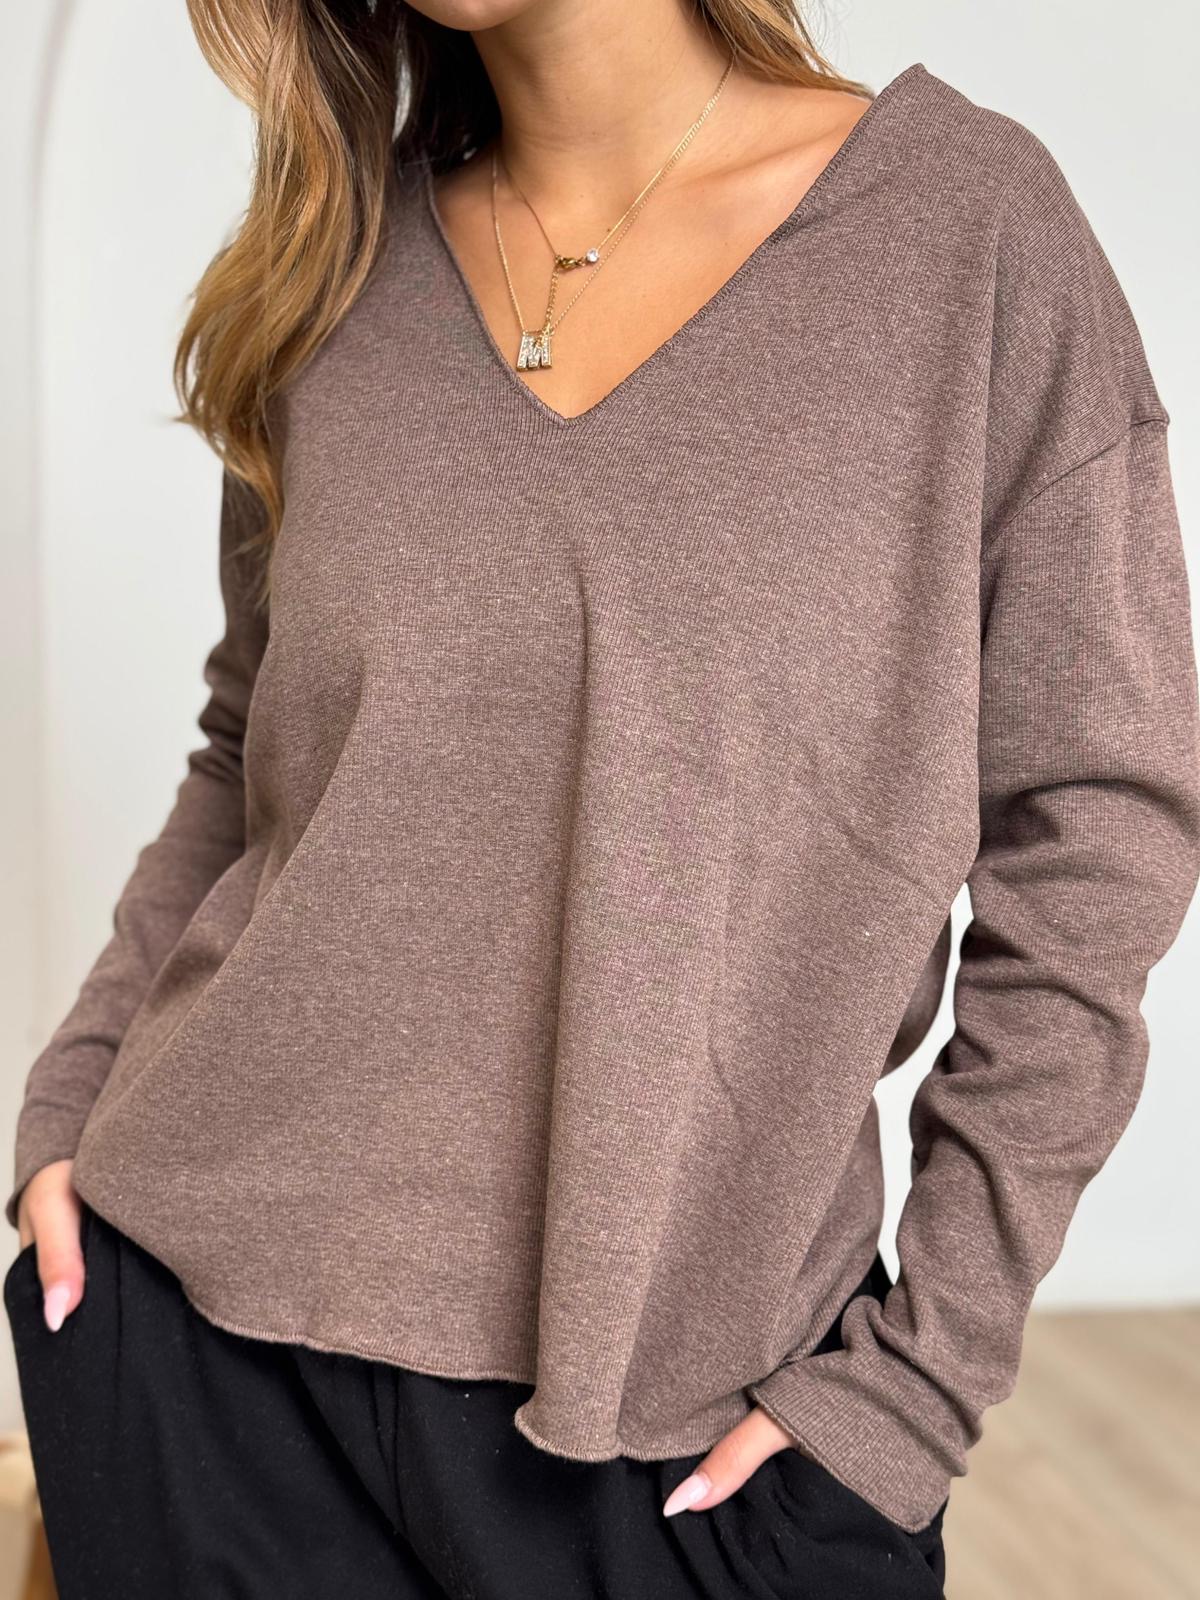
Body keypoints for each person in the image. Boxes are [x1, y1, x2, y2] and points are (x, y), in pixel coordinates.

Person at [6, 2, 1199, 1597]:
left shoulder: (966, 234)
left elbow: (1100, 836)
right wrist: (74, 1100)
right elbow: (250, 751)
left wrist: (915, 1384)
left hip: (684, 1425)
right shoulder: (330, 269)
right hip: (208, 1371)